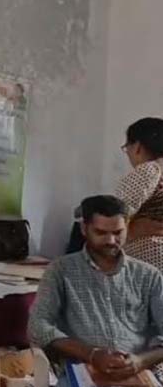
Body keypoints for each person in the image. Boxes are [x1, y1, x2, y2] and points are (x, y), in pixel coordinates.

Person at [28, 195, 163, 386]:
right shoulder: (61, 270)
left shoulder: (149, 275)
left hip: (138, 370)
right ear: (84, 229)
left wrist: (141, 361)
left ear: (127, 227)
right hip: (82, 370)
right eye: (101, 232)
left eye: (118, 232)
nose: (111, 240)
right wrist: (92, 354)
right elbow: (38, 326)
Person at [115, 117, 163, 268]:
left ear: (137, 147)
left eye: (126, 147)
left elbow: (112, 217)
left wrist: (132, 230)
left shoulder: (148, 170)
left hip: (149, 263)